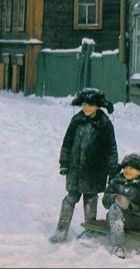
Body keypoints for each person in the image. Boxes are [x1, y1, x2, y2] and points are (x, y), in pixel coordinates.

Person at [49, 87, 119, 244]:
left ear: (98, 106)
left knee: (90, 198)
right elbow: (67, 143)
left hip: (95, 171)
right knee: (70, 198)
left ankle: (91, 229)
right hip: (75, 170)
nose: (86, 108)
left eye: (90, 105)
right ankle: (61, 229)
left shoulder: (104, 124)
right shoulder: (76, 121)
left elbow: (111, 148)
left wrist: (112, 170)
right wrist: (64, 163)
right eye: (84, 104)